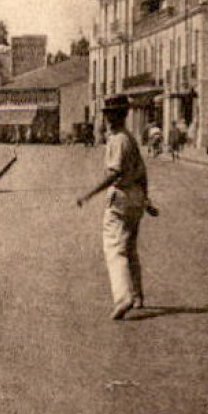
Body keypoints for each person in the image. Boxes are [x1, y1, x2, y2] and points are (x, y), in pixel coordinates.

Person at [77, 106, 159, 320]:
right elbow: (142, 172)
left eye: (107, 115)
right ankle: (138, 295)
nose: (105, 119)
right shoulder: (130, 138)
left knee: (114, 247)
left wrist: (89, 193)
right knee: (130, 247)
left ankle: (123, 298)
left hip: (121, 197)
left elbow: (114, 173)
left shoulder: (117, 140)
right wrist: (146, 198)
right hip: (136, 198)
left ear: (111, 118)